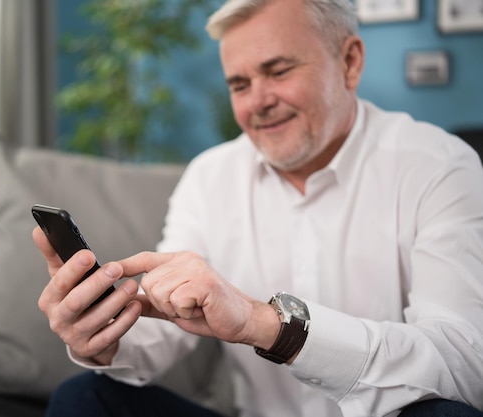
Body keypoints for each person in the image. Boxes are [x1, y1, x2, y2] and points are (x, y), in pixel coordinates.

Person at [32, 0, 483, 416]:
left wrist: (267, 325)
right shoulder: (210, 177)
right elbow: (165, 329)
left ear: (349, 62)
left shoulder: (440, 167)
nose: (258, 102)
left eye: (279, 71)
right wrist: (100, 336)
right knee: (84, 397)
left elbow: (464, 366)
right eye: (240, 84)